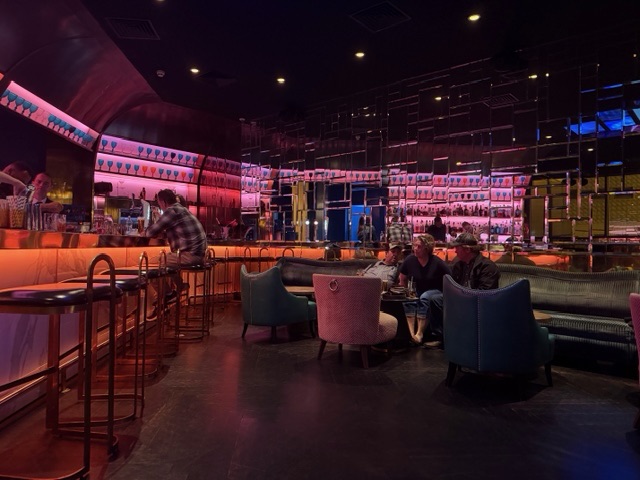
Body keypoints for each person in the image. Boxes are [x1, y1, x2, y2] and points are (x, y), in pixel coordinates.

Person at [143, 189, 207, 318]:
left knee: (150, 264)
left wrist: (143, 232)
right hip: (199, 255)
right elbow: (171, 231)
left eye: (159, 203)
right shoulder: (182, 210)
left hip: (190, 256)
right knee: (167, 260)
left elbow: (149, 233)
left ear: (163, 202)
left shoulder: (171, 211)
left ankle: (167, 294)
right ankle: (179, 287)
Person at [398, 234, 451, 346]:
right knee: (409, 299)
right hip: (417, 290)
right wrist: (404, 290)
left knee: (424, 297)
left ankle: (419, 334)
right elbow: (402, 277)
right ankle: (411, 334)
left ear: (427, 249)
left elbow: (450, 278)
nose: (415, 249)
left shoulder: (437, 262)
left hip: (436, 290)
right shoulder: (410, 260)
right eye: (414, 246)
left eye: (419, 247)